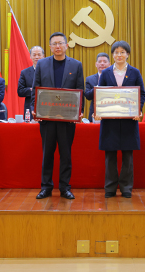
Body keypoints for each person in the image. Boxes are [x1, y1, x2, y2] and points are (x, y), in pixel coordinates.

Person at [31, 33, 84, 200]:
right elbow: (36, 88)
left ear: (66, 45)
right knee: (47, 153)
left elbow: (80, 90)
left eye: (61, 43)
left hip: (67, 118)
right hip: (47, 117)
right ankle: (46, 187)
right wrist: (35, 109)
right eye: (54, 44)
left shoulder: (76, 65)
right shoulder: (42, 64)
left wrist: (80, 110)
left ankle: (64, 187)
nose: (58, 46)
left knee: (65, 154)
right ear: (50, 47)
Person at [95, 41, 145, 199]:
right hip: (110, 121)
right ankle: (110, 188)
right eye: (116, 52)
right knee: (110, 155)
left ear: (128, 54)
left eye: (122, 52)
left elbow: (141, 94)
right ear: (112, 55)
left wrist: (138, 109)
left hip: (129, 120)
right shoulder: (106, 73)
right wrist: (99, 111)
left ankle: (126, 188)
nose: (119, 55)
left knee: (127, 156)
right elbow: (100, 94)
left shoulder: (135, 72)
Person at [17, 46, 44, 117]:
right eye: (34, 55)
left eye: (39, 54)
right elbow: (20, 91)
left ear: (43, 56)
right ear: (30, 56)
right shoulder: (24, 73)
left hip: (46, 106)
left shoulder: (49, 71)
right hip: (30, 109)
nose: (36, 57)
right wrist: (33, 90)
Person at [84, 52, 111, 122]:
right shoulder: (89, 79)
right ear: (96, 64)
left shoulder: (114, 78)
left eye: (105, 61)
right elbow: (88, 96)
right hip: (94, 114)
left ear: (109, 64)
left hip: (111, 112)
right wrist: (98, 87)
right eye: (100, 61)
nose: (102, 63)